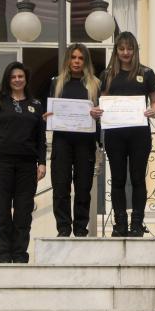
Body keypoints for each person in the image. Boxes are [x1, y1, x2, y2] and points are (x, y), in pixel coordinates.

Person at [0, 62, 47, 263]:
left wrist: (42, 163)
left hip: (27, 165)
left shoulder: (35, 104)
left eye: (20, 76)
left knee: (24, 211)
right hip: (1, 163)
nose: (17, 80)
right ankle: (3, 253)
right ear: (8, 80)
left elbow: (40, 138)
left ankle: (19, 254)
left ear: (25, 79)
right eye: (13, 77)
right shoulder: (0, 101)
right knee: (1, 210)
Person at [100, 31, 155, 237]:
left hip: (139, 134)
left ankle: (137, 223)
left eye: (130, 48)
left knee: (137, 178)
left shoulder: (147, 72)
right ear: (116, 51)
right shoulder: (107, 75)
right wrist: (98, 110)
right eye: (122, 48)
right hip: (115, 134)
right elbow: (101, 102)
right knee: (117, 178)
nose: (126, 52)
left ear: (135, 50)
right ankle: (119, 224)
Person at [46, 43, 101, 237]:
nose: (76, 62)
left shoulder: (95, 84)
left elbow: (102, 115)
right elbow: (51, 110)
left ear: (85, 61)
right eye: (73, 57)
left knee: (83, 188)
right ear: (67, 60)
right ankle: (63, 228)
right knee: (60, 186)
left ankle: (80, 229)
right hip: (62, 141)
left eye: (80, 58)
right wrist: (49, 116)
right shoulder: (56, 82)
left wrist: (98, 115)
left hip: (85, 143)